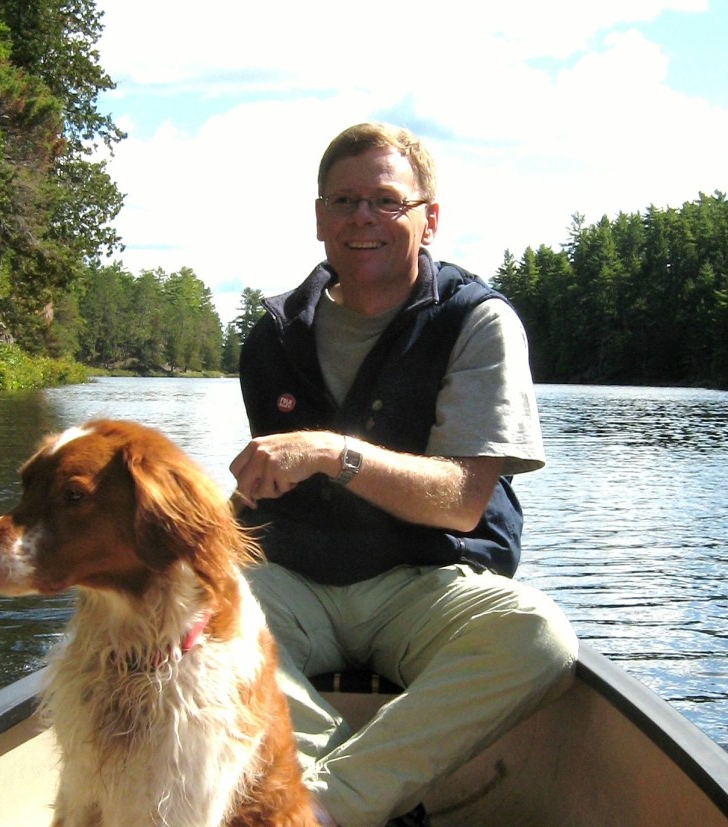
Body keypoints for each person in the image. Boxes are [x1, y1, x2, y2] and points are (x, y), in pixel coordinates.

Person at [229, 122, 577, 827]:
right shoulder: (272, 337)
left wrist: (332, 451)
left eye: (387, 201)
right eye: (345, 200)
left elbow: (460, 500)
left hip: (428, 581)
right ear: (319, 218)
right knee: (179, 609)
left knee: (539, 638)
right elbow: (261, 501)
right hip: (299, 581)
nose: (363, 218)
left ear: (430, 218)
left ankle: (320, 805)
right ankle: (353, 800)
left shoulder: (476, 322)